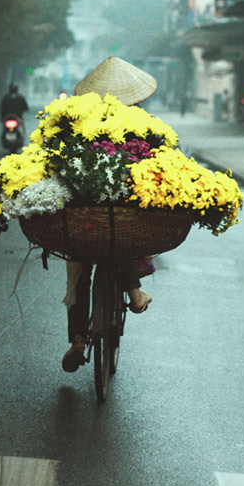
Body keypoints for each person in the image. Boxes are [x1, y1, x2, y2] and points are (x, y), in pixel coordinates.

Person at [60, 56, 157, 373]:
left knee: (78, 274)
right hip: (117, 210)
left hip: (84, 214)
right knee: (121, 236)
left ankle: (77, 339)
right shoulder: (141, 126)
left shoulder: (78, 125)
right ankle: (133, 292)